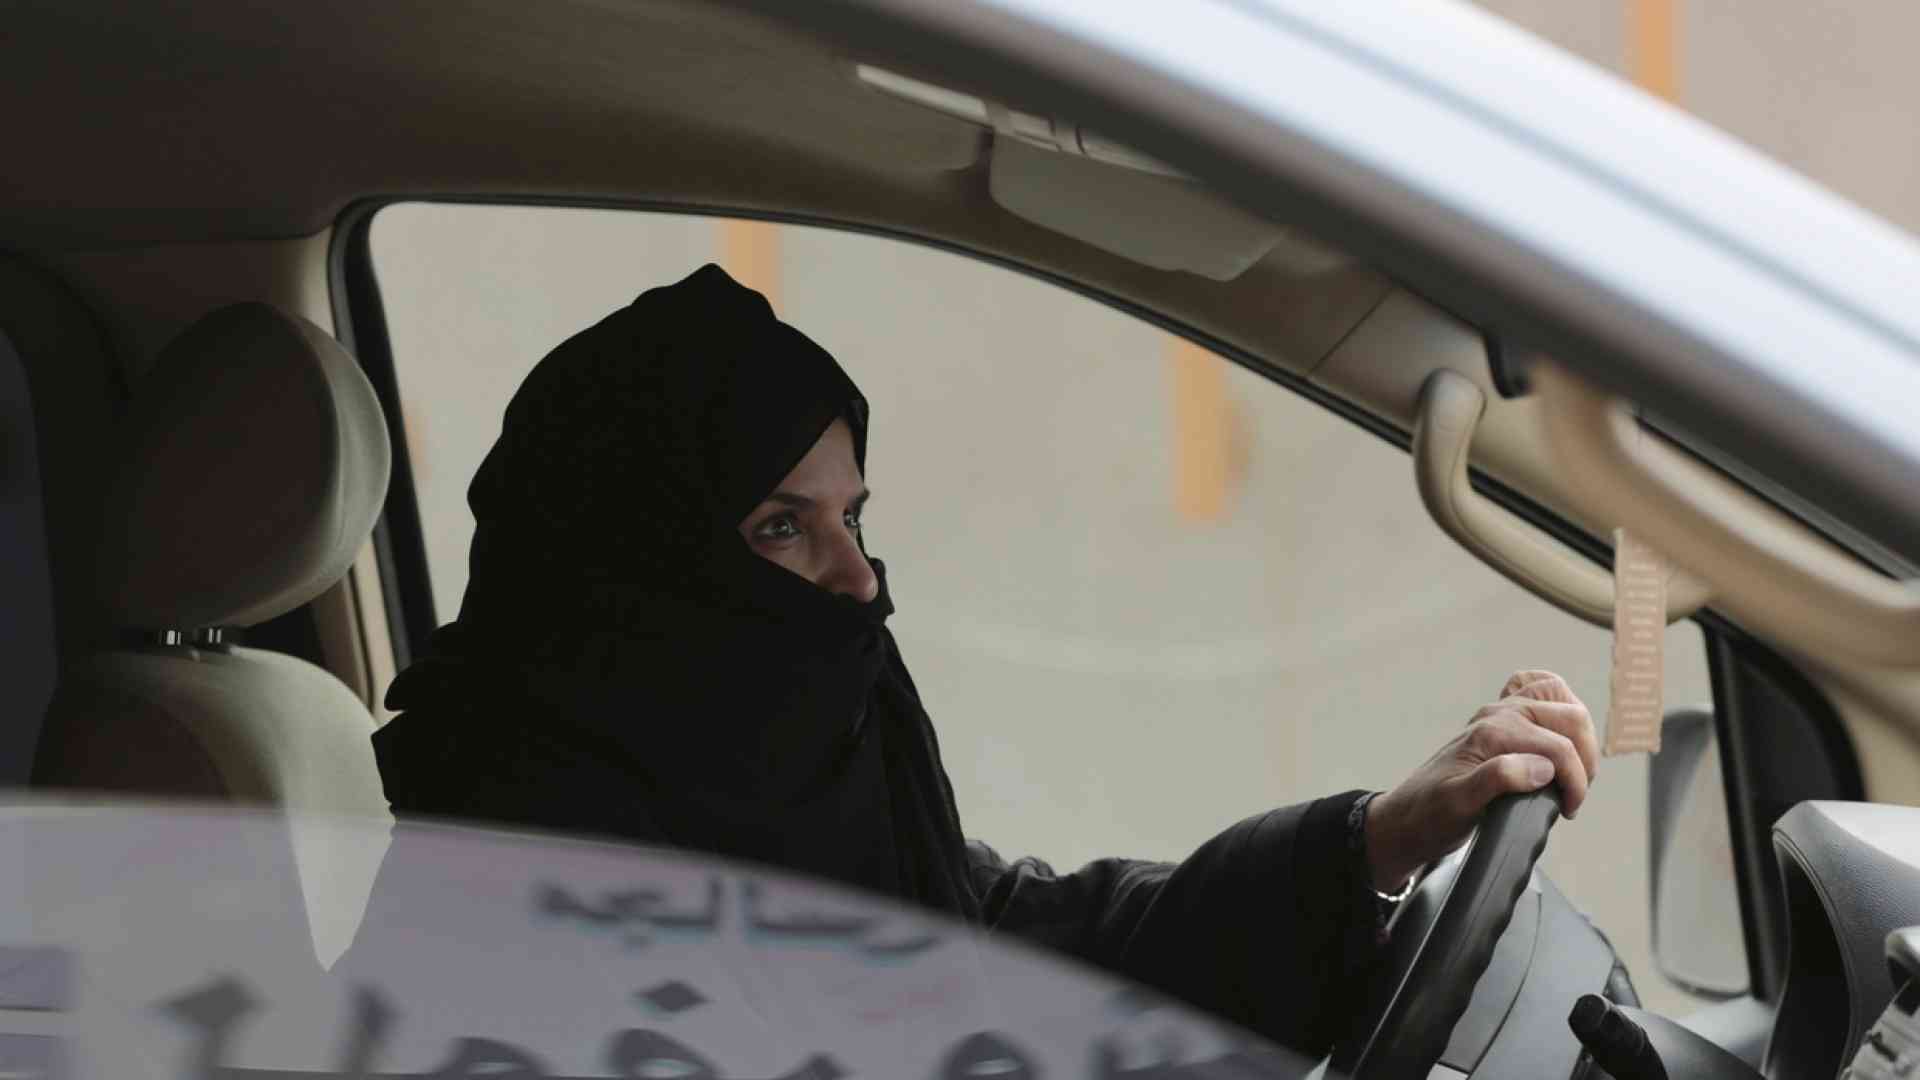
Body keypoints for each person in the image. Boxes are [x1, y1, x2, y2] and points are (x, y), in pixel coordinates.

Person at [371, 264, 1599, 1055]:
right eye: (782, 528)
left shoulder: (800, 817)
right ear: (634, 573)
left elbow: (1029, 948)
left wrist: (1371, 843)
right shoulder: (504, 905)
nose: (858, 580)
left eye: (853, 518)